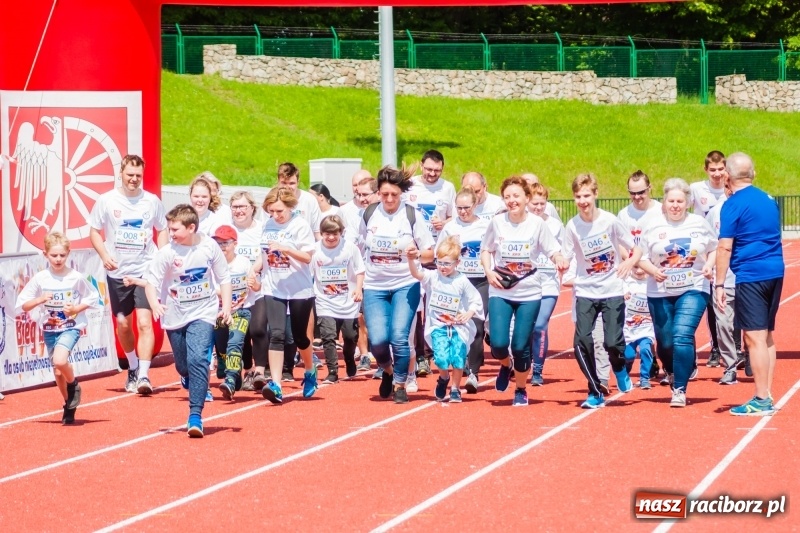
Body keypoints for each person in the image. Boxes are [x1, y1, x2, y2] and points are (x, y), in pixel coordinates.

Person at [142, 204, 232, 437]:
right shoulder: (167, 253)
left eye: (175, 229)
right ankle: (187, 377)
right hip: (174, 315)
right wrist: (154, 303)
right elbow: (151, 283)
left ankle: (195, 415)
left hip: (203, 312)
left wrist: (227, 308)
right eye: (169, 229)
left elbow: (224, 278)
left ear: (191, 227)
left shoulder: (209, 246)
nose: (170, 234)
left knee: (198, 360)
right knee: (184, 365)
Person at [481, 176, 568, 406]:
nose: (512, 201)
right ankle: (505, 365)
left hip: (529, 292)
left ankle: (520, 388)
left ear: (527, 199)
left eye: (516, 196)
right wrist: (489, 273)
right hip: (501, 290)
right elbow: (486, 249)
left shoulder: (537, 224)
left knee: (520, 346)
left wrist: (559, 258)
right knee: (498, 344)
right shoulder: (497, 223)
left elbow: (552, 250)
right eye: (507, 197)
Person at [89, 154, 168, 395]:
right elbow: (94, 231)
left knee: (145, 323)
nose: (134, 180)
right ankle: (132, 366)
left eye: (138, 176)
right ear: (121, 173)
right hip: (118, 273)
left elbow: (162, 229)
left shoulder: (151, 201)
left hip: (145, 271)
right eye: (130, 175)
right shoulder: (106, 201)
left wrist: (161, 258)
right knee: (123, 324)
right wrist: (104, 256)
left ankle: (144, 375)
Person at [562, 173, 641, 409]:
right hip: (586, 291)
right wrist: (560, 262)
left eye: (586, 195)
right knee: (582, 342)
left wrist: (628, 262)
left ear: (595, 194)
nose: (582, 201)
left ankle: (619, 368)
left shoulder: (610, 221)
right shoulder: (572, 226)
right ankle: (595, 390)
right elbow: (565, 256)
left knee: (612, 342)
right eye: (578, 197)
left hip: (612, 289)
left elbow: (635, 249)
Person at [638, 178, 717, 408]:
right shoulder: (653, 225)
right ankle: (671, 370)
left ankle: (680, 388)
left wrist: (709, 265)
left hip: (694, 287)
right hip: (660, 290)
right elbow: (640, 255)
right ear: (664, 202)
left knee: (682, 334)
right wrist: (652, 270)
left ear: (688, 202)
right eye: (671, 201)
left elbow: (714, 248)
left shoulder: (698, 224)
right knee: (665, 342)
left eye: (680, 201)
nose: (675, 205)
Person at [359, 164, 434, 404]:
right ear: (378, 193)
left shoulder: (412, 215)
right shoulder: (370, 214)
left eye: (394, 194)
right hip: (375, 286)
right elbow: (360, 247)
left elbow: (430, 254)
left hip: (405, 283)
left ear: (401, 194)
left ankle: (401, 383)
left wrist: (416, 253)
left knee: (400, 337)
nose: (390, 198)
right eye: (385, 194)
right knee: (379, 341)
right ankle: (389, 372)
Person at [716, 152, 784, 416]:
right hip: (775, 271)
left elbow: (724, 246)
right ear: (753, 174)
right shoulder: (769, 199)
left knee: (753, 337)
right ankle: (765, 392)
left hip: (751, 274)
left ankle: (761, 398)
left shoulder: (732, 205)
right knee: (766, 336)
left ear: (727, 177)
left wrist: (720, 284)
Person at [16, 232, 99, 424]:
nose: (58, 259)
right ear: (45, 255)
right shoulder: (40, 278)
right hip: (49, 329)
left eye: (62, 255)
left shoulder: (75, 277)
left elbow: (93, 296)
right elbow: (24, 304)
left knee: (60, 360)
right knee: (58, 371)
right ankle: (69, 405)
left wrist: (77, 308)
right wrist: (40, 299)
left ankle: (74, 386)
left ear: (68, 254)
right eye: (54, 255)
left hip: (71, 327)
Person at [253, 186, 319, 404]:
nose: (276, 215)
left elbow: (308, 258)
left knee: (300, 336)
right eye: (272, 211)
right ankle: (277, 385)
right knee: (277, 334)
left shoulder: (300, 226)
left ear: (290, 207)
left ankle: (310, 370)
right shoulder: (267, 225)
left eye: (280, 211)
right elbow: (264, 254)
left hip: (299, 287)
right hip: (274, 287)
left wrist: (286, 249)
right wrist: (252, 271)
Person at [408, 236, 484, 403]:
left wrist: (469, 313)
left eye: (447, 264)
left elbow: (475, 300)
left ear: (457, 263)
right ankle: (443, 378)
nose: (443, 267)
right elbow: (416, 273)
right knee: (441, 359)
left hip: (459, 327)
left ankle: (455, 388)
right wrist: (411, 260)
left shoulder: (462, 280)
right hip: (438, 326)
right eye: (440, 262)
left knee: (458, 358)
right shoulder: (432, 277)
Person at [437, 187, 491, 393]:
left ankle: (474, 373)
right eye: (458, 208)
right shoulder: (450, 227)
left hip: (480, 282)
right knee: (459, 326)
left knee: (476, 325)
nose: (462, 212)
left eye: (466, 208)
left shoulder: (486, 226)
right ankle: (462, 364)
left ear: (475, 205)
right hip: (457, 283)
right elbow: (439, 251)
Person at [616, 169, 662, 381]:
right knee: (635, 319)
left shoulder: (660, 212)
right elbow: (620, 243)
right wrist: (633, 264)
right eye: (632, 193)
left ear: (650, 188)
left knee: (659, 321)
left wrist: (648, 266)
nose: (637, 197)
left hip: (656, 272)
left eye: (641, 192)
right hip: (632, 275)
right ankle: (640, 361)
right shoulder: (624, 215)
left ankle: (664, 361)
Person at [312, 215, 365, 383]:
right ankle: (332, 371)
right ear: (321, 233)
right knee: (328, 336)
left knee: (350, 336)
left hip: (348, 301)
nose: (331, 237)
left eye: (335, 233)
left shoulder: (350, 248)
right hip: (324, 300)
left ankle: (349, 358)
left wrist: (358, 289)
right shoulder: (315, 250)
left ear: (341, 233)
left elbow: (360, 270)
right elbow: (308, 274)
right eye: (327, 233)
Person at [705, 183, 748, 384]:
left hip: (748, 276)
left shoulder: (750, 206)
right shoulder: (715, 212)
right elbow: (712, 244)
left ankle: (750, 354)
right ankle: (730, 365)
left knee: (752, 321)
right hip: (724, 277)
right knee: (723, 323)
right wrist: (710, 267)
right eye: (728, 186)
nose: (731, 190)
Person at [212, 225, 260, 400]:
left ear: (235, 244)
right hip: (217, 314)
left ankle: (231, 379)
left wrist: (253, 283)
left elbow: (256, 286)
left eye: (226, 243)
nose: (222, 247)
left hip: (240, 311)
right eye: (218, 243)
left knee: (235, 344)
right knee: (223, 349)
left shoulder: (243, 262)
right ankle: (228, 369)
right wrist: (224, 291)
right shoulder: (210, 265)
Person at [691, 151, 727, 366]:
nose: (717, 174)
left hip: (726, 249)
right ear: (706, 170)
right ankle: (715, 347)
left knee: (728, 301)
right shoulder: (697, 189)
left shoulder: (731, 188)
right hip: (703, 253)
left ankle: (735, 347)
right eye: (712, 170)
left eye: (720, 169)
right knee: (709, 303)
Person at [528, 182, 566, 386]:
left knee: (540, 326)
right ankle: (522, 362)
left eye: (542, 203)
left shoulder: (555, 225)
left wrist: (563, 266)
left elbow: (564, 250)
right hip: (525, 282)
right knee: (524, 328)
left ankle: (538, 370)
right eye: (534, 203)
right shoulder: (521, 223)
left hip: (548, 282)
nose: (538, 207)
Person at [228, 191, 267, 390]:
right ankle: (246, 370)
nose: (239, 211)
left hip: (258, 287)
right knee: (240, 333)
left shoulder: (261, 229)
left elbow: (266, 252)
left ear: (252, 208)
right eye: (235, 207)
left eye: (243, 206)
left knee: (258, 328)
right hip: (235, 291)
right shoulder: (227, 231)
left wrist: (253, 271)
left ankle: (259, 372)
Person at [622, 266, 655, 389]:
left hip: (646, 327)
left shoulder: (651, 283)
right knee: (629, 355)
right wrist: (623, 295)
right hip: (629, 328)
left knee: (646, 350)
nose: (639, 271)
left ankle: (644, 378)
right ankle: (627, 365)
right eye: (635, 267)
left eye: (642, 267)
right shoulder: (626, 282)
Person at [276, 162, 322, 239]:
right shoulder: (271, 200)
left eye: (291, 183)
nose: (287, 187)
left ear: (298, 182)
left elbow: (317, 233)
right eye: (284, 183)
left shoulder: (309, 200)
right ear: (278, 181)